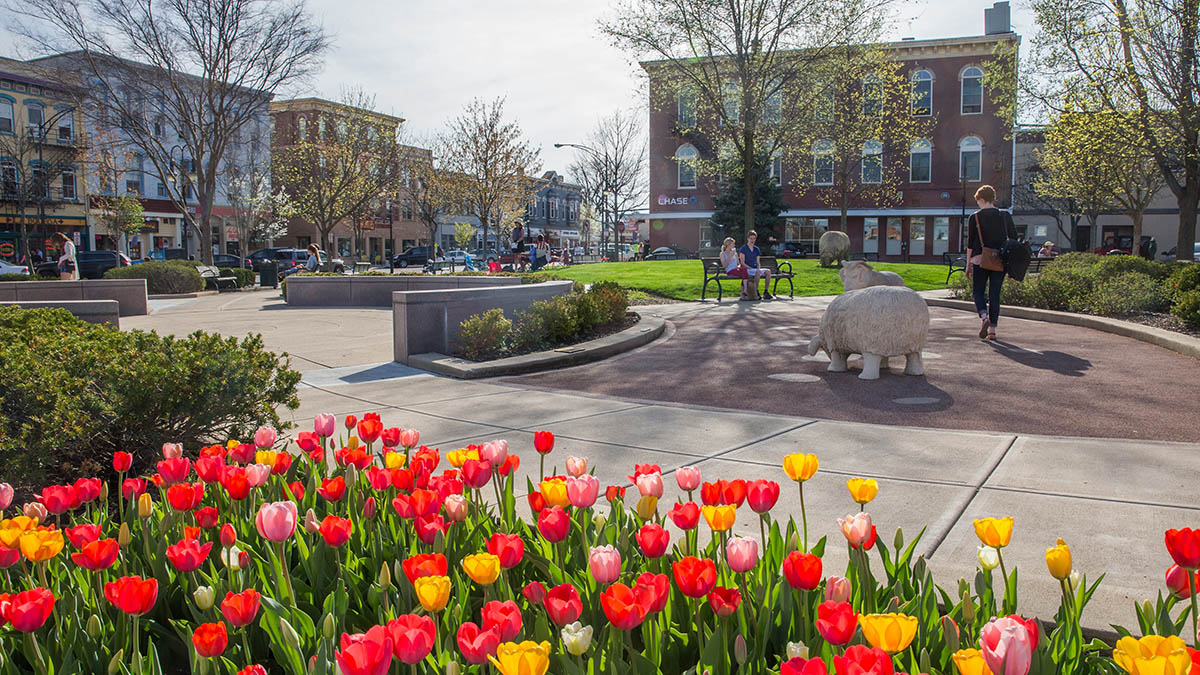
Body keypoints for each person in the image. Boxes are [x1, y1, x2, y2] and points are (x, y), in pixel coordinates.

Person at [965, 184, 1016, 341]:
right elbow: (1014, 238)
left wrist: (968, 265)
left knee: (978, 291)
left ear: (981, 199)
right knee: (995, 294)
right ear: (993, 199)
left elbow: (970, 243)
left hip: (980, 259)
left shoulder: (975, 217)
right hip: (999, 260)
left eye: (978, 201)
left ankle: (984, 315)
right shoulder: (1005, 216)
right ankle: (992, 330)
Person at [738, 230, 772, 300]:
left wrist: (758, 267)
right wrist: (751, 268)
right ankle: (756, 291)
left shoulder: (756, 249)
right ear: (748, 238)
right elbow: (742, 263)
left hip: (755, 269)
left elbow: (758, 262)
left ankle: (766, 292)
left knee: (768, 271)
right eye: (751, 238)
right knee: (757, 272)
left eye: (754, 238)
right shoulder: (743, 249)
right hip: (747, 269)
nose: (752, 240)